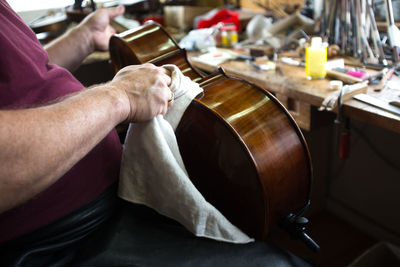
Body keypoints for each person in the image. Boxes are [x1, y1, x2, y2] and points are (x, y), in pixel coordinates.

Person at [0, 1, 313, 266]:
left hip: (104, 198)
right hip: (58, 241)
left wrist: (82, 39)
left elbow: (22, 82)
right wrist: (119, 96)